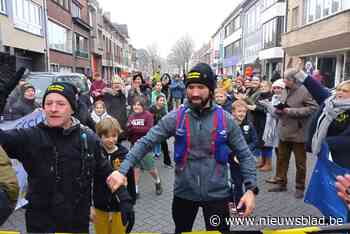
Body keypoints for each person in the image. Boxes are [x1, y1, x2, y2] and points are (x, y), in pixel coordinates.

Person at [109, 63, 258, 233]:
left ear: (210, 89)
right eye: (191, 87)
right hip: (184, 193)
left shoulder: (226, 120)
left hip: (218, 194)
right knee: (181, 230)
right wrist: (122, 171)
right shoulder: (176, 117)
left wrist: (251, 189)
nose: (195, 92)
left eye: (200, 87)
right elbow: (145, 142)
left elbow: (245, 155)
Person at [0, 81, 132, 233]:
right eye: (48, 103)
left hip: (76, 225)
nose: (53, 109)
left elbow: (106, 171)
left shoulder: (88, 138)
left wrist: (124, 198)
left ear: (72, 108)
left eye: (60, 103)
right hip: (41, 225)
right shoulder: (30, 136)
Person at [289, 63, 350, 218]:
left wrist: (328, 143)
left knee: (341, 196)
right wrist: (298, 73)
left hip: (343, 162)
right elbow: (315, 88)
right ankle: (331, 218)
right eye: (339, 90)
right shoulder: (330, 102)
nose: (340, 93)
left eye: (345, 91)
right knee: (328, 195)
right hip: (327, 157)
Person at [268, 68, 318, 199]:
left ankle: (300, 187)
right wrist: (278, 109)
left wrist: (290, 111)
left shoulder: (305, 91)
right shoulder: (285, 89)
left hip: (298, 133)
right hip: (284, 131)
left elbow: (313, 108)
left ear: (293, 80)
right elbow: (282, 104)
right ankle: (281, 183)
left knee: (300, 163)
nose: (283, 81)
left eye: (286, 79)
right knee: (281, 159)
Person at [91, 117, 135, 234]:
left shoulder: (124, 154)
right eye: (107, 136)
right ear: (100, 136)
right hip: (100, 206)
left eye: (114, 136)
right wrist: (89, 205)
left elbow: (130, 179)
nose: (111, 140)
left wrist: (130, 203)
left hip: (119, 207)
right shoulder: (95, 154)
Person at [126, 97, 163, 197]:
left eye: (138, 105)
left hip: (146, 147)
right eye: (134, 105)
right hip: (134, 146)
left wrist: (133, 128)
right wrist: (131, 130)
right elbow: (128, 130)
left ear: (143, 106)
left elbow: (148, 130)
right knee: (136, 168)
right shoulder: (131, 116)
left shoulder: (148, 115)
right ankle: (136, 190)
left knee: (150, 168)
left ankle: (158, 182)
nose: (136, 107)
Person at [230, 100, 258, 204]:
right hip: (233, 160)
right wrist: (234, 154)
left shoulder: (249, 125)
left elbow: (255, 141)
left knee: (248, 182)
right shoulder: (229, 125)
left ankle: (246, 203)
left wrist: (245, 151)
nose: (242, 114)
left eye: (244, 111)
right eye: (239, 111)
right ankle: (237, 203)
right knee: (236, 183)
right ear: (233, 112)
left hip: (246, 158)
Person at [149, 95, 173, 168]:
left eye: (163, 100)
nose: (162, 102)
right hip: (152, 130)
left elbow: (166, 120)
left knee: (165, 146)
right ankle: (143, 163)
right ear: (156, 101)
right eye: (161, 100)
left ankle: (167, 163)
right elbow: (149, 120)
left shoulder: (163, 109)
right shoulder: (151, 109)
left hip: (161, 131)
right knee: (147, 147)